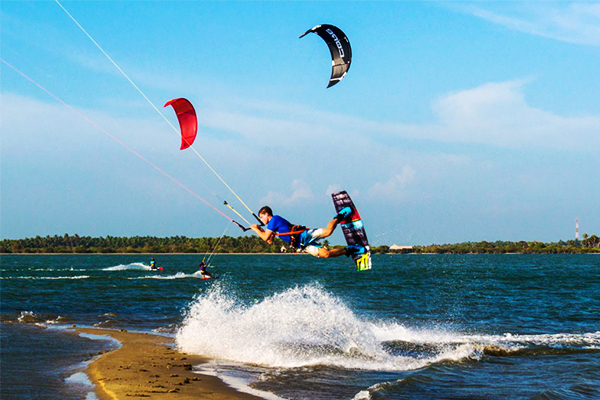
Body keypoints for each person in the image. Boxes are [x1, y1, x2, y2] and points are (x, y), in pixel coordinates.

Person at [250, 205, 366, 258]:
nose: (261, 220)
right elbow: (269, 241)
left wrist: (255, 229)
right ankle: (350, 249)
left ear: (267, 214)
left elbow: (265, 237)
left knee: (328, 232)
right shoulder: (271, 226)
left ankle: (340, 216)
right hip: (302, 245)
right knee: (326, 254)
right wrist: (259, 230)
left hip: (303, 234)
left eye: (261, 217)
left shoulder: (274, 220)